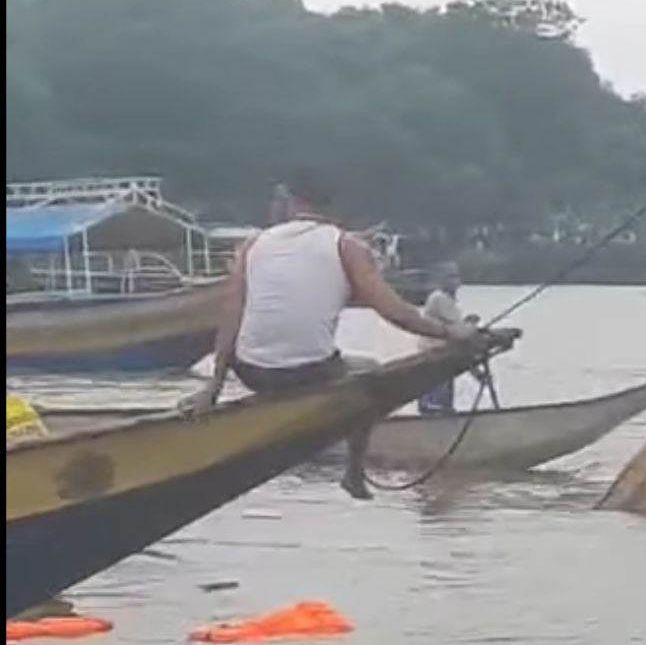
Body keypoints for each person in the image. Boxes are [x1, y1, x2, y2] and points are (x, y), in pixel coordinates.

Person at [181, 171, 482, 499]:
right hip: (308, 373)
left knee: (336, 361)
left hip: (250, 371)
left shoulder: (252, 246)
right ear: (334, 207)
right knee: (368, 370)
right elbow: (395, 312)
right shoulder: (347, 246)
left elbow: (231, 319)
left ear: (291, 202)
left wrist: (213, 388)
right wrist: (450, 332)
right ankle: (354, 470)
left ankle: (324, 449)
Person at [415, 262, 476, 415]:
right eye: (450, 276)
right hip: (435, 359)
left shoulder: (448, 301)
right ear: (440, 279)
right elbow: (461, 332)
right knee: (437, 406)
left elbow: (457, 330)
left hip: (444, 359)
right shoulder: (439, 299)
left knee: (444, 406)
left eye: (456, 276)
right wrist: (472, 326)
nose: (455, 280)